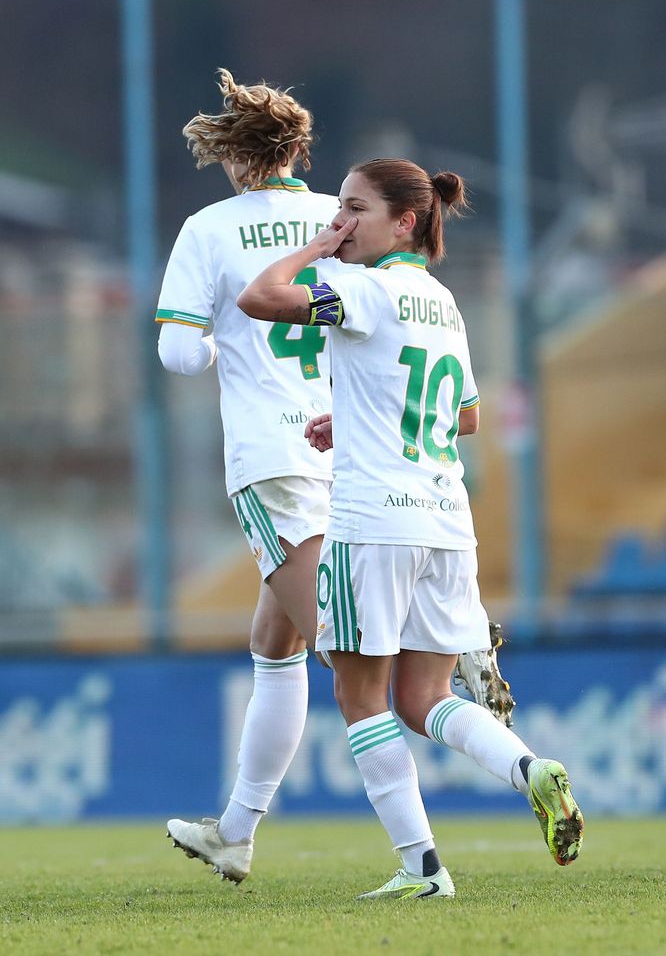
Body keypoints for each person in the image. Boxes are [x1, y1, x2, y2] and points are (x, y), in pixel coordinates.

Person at [237, 157, 584, 900]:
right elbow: (466, 417)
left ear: (405, 221)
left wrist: (317, 247)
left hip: (374, 524)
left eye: (355, 209)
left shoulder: (360, 289)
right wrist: (362, 416)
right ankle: (532, 769)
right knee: (423, 699)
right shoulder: (442, 301)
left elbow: (259, 295)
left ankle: (422, 868)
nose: (342, 221)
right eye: (339, 210)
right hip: (446, 521)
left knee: (359, 697)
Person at [156, 69, 346, 883]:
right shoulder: (344, 218)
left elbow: (177, 352)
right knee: (278, 644)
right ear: (300, 151)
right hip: (352, 448)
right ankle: (235, 831)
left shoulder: (208, 228)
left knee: (355, 655)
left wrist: (209, 347)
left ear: (232, 158)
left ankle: (491, 769)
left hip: (272, 459)